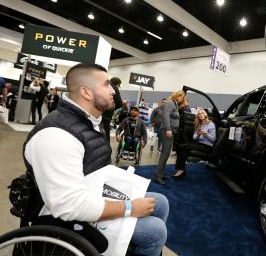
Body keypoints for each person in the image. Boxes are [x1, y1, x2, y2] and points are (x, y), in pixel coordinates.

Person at [23, 63, 168, 256]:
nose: (113, 90)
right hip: (65, 216)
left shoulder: (89, 121)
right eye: (107, 84)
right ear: (87, 93)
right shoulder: (57, 135)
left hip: (91, 191)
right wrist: (130, 207)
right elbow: (68, 205)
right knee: (155, 231)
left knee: (160, 202)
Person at [173, 108, 216, 178]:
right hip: (199, 144)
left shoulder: (211, 124)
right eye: (199, 114)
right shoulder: (199, 125)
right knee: (181, 146)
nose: (201, 115)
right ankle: (181, 169)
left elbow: (213, 139)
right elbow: (194, 138)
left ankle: (181, 170)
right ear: (198, 116)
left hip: (207, 146)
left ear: (205, 115)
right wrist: (198, 134)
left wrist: (206, 134)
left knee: (183, 147)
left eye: (202, 113)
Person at [154, 90, 185, 185]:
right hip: (167, 131)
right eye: (180, 96)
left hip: (170, 131)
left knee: (166, 153)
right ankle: (158, 176)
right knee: (165, 153)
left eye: (182, 97)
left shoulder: (175, 104)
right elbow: (166, 116)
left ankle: (161, 174)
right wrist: (168, 129)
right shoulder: (171, 103)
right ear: (175, 96)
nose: (181, 98)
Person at [101, 77, 122, 141]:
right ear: (118, 84)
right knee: (106, 132)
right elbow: (119, 103)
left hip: (97, 112)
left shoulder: (103, 86)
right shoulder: (114, 88)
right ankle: (106, 148)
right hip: (106, 114)